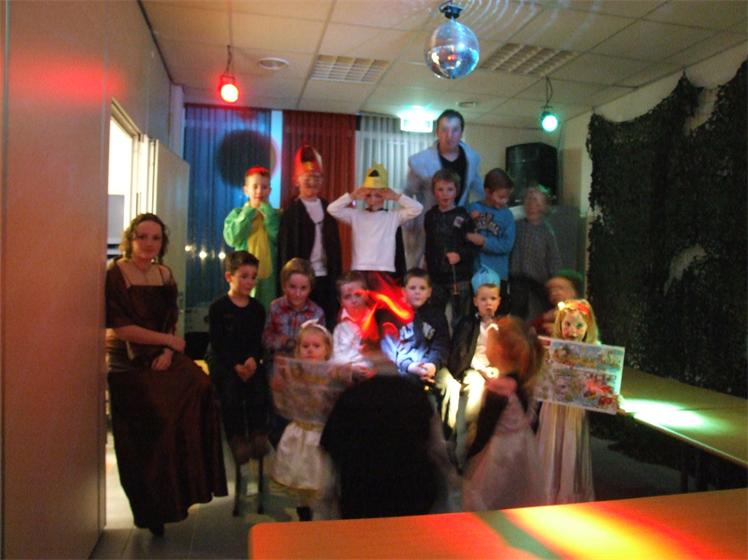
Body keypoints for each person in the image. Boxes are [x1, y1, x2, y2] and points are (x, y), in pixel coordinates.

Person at [105, 213, 226, 537]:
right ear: (131, 239)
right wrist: (168, 342)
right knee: (153, 426)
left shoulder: (165, 273)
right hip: (128, 361)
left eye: (155, 238)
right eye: (142, 237)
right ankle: (151, 508)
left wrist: (169, 351)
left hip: (162, 354)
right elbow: (122, 327)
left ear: (163, 242)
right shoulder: (116, 273)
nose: (149, 243)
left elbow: (170, 321)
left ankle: (186, 489)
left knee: (201, 387)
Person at [319, 376, 456, 519]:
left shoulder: (350, 399)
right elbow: (437, 450)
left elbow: (331, 452)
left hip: (360, 500)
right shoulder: (413, 395)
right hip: (414, 497)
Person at [462, 316, 547, 511]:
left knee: (488, 502)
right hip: (521, 451)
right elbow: (531, 423)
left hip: (498, 457)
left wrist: (469, 458)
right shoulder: (524, 383)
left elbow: (484, 431)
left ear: (499, 349)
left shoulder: (499, 388)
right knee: (516, 499)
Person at [271, 320, 346, 521]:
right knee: (300, 477)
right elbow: (284, 403)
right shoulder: (294, 373)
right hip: (299, 433)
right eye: (305, 346)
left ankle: (322, 516)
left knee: (321, 478)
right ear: (298, 350)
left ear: (327, 350)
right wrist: (281, 381)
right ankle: (303, 512)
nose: (310, 350)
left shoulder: (333, 375)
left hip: (322, 434)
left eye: (316, 346)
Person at [205, 251, 268, 466]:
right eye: (244, 276)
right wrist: (235, 365)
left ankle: (258, 432)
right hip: (223, 358)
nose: (249, 281)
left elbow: (257, 340)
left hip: (247, 358)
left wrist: (252, 359)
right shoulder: (218, 307)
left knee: (258, 386)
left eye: (253, 277)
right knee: (230, 389)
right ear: (229, 277)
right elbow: (218, 342)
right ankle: (236, 437)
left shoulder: (257, 309)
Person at [537, 298, 600, 504]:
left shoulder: (594, 351)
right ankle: (547, 496)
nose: (572, 331)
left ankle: (568, 499)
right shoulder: (552, 348)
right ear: (560, 324)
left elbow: (600, 383)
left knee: (571, 448)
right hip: (554, 409)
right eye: (567, 324)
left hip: (574, 412)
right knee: (551, 447)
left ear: (588, 327)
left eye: (579, 325)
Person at [403, 109, 483, 268]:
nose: (449, 135)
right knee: (426, 274)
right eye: (444, 129)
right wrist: (409, 221)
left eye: (455, 130)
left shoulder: (472, 159)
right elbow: (407, 192)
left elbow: (478, 191)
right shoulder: (421, 161)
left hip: (458, 227)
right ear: (437, 132)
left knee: (457, 269)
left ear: (461, 132)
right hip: (429, 226)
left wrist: (479, 211)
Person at [445, 266, 503, 470]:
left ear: (499, 301)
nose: (488, 303)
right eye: (483, 299)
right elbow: (463, 353)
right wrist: (481, 369)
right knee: (475, 392)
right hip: (473, 369)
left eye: (492, 299)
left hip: (496, 371)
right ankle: (463, 450)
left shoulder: (502, 325)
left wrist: (497, 369)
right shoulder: (469, 324)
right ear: (475, 301)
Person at [278, 144, 342, 328]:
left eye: (317, 177)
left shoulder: (328, 208)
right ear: (296, 180)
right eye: (308, 177)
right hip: (300, 282)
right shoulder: (291, 212)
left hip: (326, 279)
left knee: (326, 326)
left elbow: (335, 249)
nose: (313, 182)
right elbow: (285, 252)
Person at [327, 163, 422, 286]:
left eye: (378, 195)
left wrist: (396, 197)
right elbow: (332, 209)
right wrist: (352, 196)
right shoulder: (356, 215)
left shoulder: (393, 217)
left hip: (384, 269)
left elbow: (417, 208)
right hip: (360, 268)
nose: (373, 199)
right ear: (364, 197)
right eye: (369, 195)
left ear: (384, 196)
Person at [380, 269, 450, 406]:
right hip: (404, 368)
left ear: (429, 292)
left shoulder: (437, 315)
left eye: (422, 288)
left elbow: (441, 345)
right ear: (404, 291)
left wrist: (432, 365)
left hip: (430, 365)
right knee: (408, 387)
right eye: (412, 288)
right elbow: (389, 350)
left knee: (449, 384)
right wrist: (410, 366)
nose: (417, 292)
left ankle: (446, 421)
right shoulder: (392, 316)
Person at [222, 166, 280, 311]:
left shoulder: (277, 215)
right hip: (242, 277)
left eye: (264, 187)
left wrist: (269, 215)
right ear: (246, 190)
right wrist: (248, 214)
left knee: (267, 313)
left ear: (270, 191)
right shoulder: (237, 214)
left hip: (270, 280)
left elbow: (279, 238)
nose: (259, 191)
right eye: (255, 186)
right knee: (242, 311)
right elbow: (232, 238)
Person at [423, 169, 476, 325]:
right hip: (435, 277)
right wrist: (426, 263)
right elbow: (429, 244)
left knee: (460, 320)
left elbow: (473, 247)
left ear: (456, 191)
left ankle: (459, 342)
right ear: (434, 192)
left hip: (458, 277)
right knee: (434, 318)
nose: (445, 194)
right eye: (440, 189)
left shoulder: (464, 216)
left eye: (450, 189)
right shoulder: (430, 216)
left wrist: (460, 255)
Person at [466, 168, 516, 315]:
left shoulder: (507, 215)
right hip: (476, 273)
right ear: (488, 191)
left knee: (499, 316)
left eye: (507, 197)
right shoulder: (473, 208)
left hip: (498, 275)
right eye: (500, 197)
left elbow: (507, 245)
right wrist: (469, 221)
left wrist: (484, 242)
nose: (504, 201)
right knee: (476, 315)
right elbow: (462, 234)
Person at [509, 185, 562, 322]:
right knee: (518, 307)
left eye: (536, 202)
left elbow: (553, 257)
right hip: (518, 275)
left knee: (547, 304)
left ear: (543, 207)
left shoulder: (546, 231)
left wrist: (555, 278)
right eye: (528, 201)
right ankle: (517, 327)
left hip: (539, 276)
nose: (532, 206)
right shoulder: (517, 226)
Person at [262, 258, 325, 358]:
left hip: (305, 363)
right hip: (279, 361)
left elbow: (322, 345)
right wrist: (285, 342)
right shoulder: (275, 307)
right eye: (292, 287)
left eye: (303, 288)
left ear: (310, 289)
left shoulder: (317, 313)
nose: (297, 293)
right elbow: (266, 338)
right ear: (284, 286)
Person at [330, 271, 377, 374]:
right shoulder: (338, 325)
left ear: (366, 294)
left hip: (371, 371)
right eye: (347, 297)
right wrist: (350, 368)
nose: (354, 300)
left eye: (358, 295)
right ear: (340, 301)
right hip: (345, 371)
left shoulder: (376, 319)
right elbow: (336, 354)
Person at [529, 269, 584, 336]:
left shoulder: (580, 311)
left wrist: (560, 331)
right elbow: (531, 330)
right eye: (551, 291)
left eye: (560, 288)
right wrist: (544, 318)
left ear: (574, 292)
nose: (554, 293)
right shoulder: (550, 313)